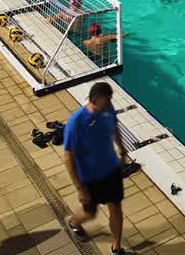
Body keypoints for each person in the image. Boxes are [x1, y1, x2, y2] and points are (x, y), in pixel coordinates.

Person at [63, 82, 129, 254]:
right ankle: (74, 223)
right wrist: (80, 188)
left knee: (116, 207)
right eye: (106, 100)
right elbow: (68, 157)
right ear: (94, 99)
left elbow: (114, 127)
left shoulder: (108, 109)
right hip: (89, 178)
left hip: (111, 171)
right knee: (90, 214)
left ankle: (116, 248)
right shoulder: (76, 122)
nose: (109, 103)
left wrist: (122, 151)